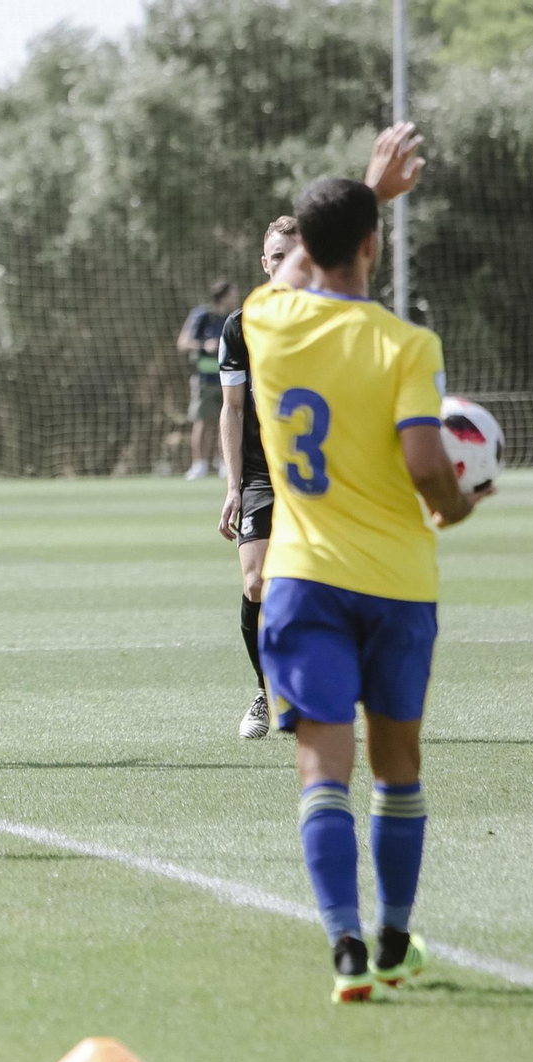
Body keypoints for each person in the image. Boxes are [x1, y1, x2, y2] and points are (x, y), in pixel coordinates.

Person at [243, 123, 489, 1002]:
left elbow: (302, 269)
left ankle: (343, 944)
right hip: (396, 582)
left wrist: (366, 194)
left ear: (301, 245)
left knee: (322, 768)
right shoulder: (405, 344)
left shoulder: (264, 322)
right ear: (375, 247)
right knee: (398, 768)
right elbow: (428, 463)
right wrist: (459, 507)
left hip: (303, 577)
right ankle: (392, 939)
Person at [217, 215, 300, 739]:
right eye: (276, 255)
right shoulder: (240, 324)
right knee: (256, 582)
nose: (284, 263)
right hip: (259, 473)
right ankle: (266, 691)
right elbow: (232, 409)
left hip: (319, 473)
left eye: (295, 254)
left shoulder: (328, 321)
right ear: (263, 262)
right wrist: (231, 485)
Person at [180, 281, 240, 479]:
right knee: (203, 421)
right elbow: (183, 343)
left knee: (228, 418)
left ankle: (225, 463)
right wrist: (205, 345)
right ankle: (199, 465)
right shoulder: (202, 316)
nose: (236, 296)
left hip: (229, 380)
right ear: (222, 296)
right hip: (205, 380)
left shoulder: (234, 318)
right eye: (233, 293)